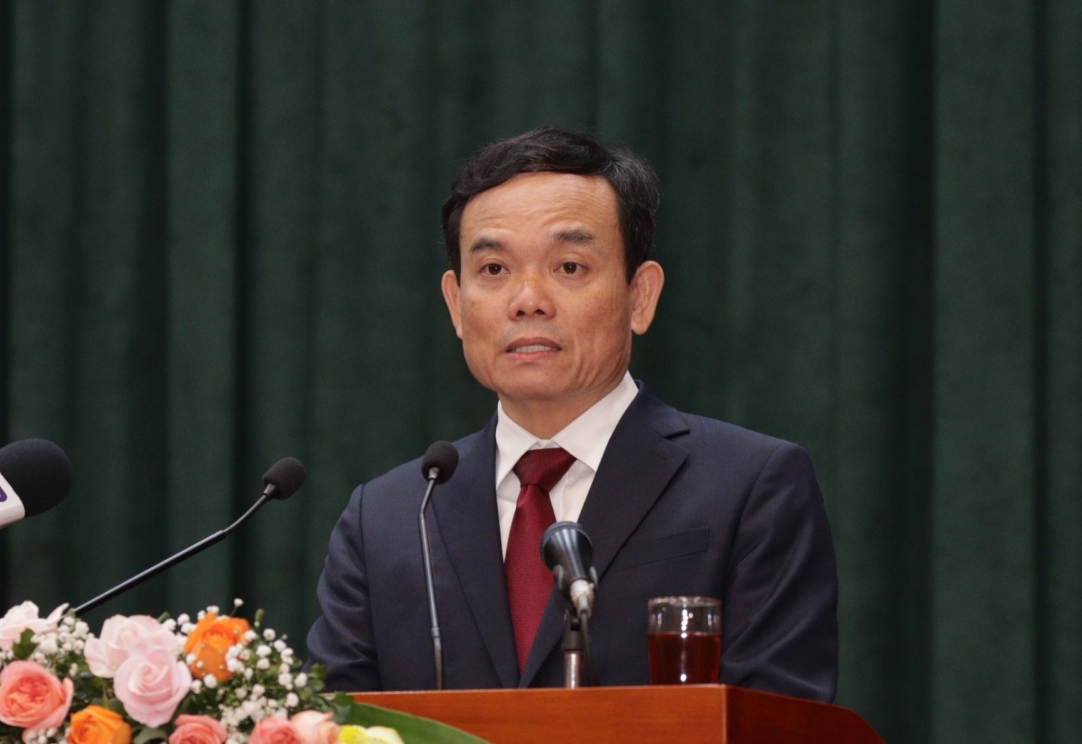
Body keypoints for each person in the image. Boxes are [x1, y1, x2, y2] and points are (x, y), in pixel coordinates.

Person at [306, 127, 838, 700]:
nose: (527, 301)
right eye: (494, 270)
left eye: (569, 267)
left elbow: (778, 728)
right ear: (456, 305)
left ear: (640, 296)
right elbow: (333, 734)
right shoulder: (388, 518)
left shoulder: (751, 486)